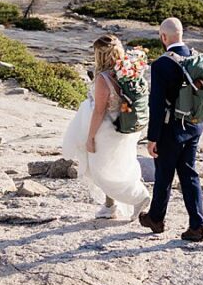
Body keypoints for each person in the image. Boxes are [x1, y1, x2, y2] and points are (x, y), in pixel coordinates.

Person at [60, 35, 150, 220]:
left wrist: (90, 137)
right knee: (118, 165)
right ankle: (110, 206)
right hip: (124, 125)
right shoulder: (127, 71)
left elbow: (99, 111)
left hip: (107, 130)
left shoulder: (103, 78)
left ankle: (139, 197)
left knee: (103, 172)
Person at [140, 16, 203, 242]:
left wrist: (152, 137)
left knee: (164, 175)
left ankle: (156, 219)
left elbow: (157, 104)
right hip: (194, 127)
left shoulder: (161, 64)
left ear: (163, 37)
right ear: (181, 35)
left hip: (170, 130)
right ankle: (197, 225)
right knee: (189, 174)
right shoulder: (196, 57)